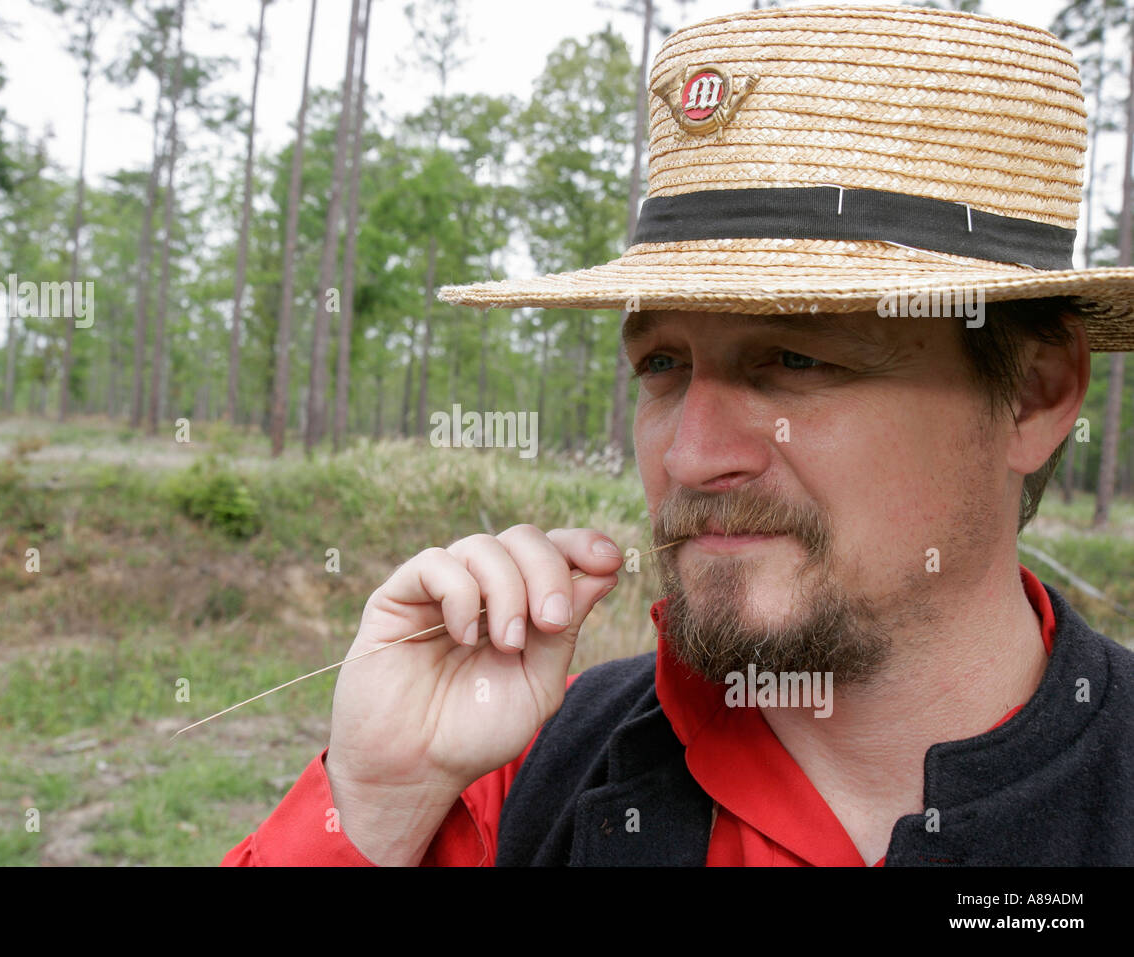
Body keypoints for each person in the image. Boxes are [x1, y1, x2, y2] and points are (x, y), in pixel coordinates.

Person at [224, 3, 1134, 866]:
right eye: (662, 362)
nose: (691, 456)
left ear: (1033, 395)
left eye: (795, 358)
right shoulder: (516, 776)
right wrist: (379, 805)